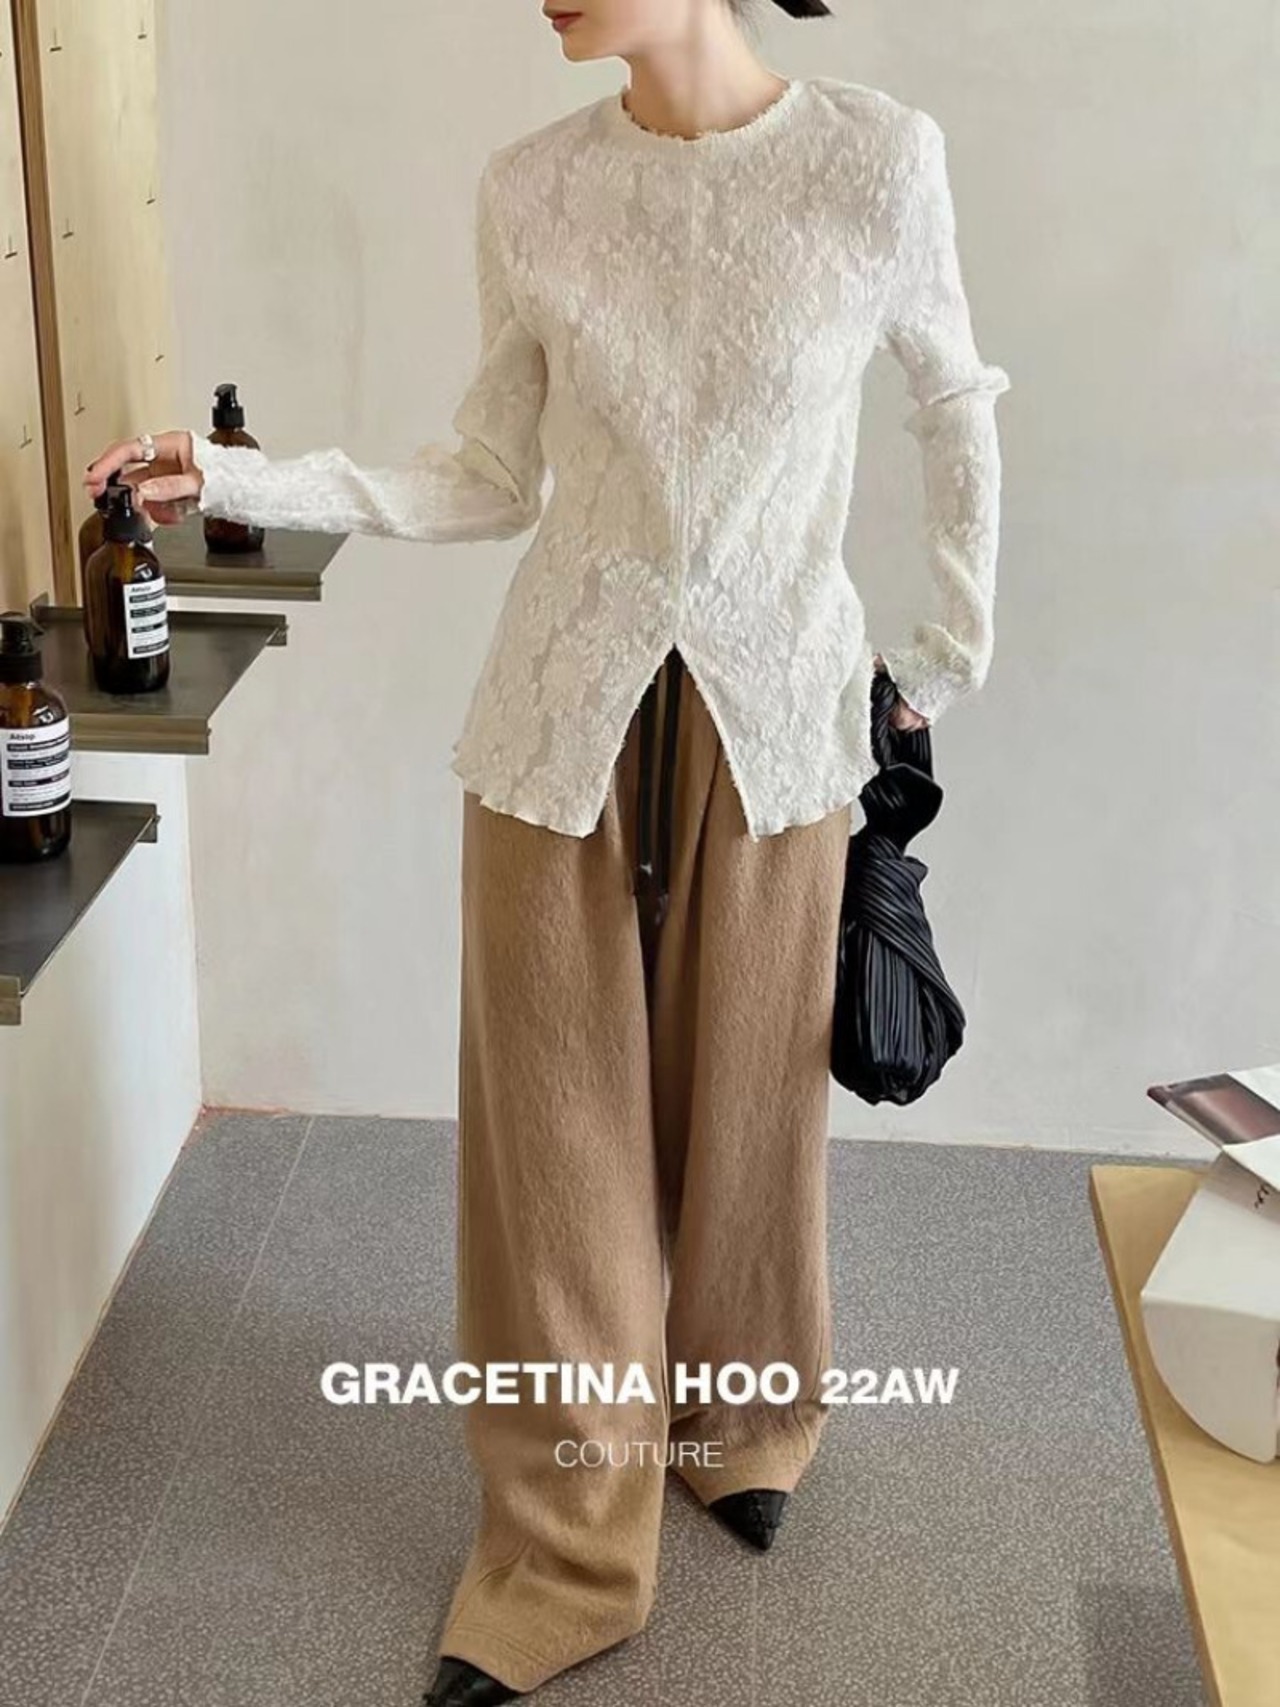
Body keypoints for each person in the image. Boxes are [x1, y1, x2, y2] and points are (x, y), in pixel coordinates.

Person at [85, 2, 1010, 1701]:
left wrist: (942, 661)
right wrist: (241, 478)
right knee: (557, 1155)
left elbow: (954, 403)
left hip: (779, 713)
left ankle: (740, 1425)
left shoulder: (877, 161)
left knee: (754, 1116)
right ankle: (566, 1550)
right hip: (557, 719)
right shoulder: (534, 186)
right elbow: (489, 476)